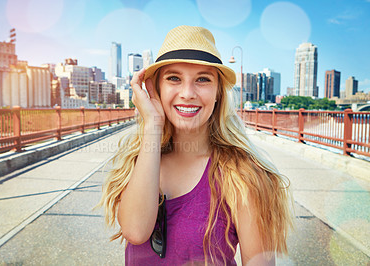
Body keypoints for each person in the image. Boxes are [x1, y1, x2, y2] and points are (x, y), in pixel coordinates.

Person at [98, 25, 293, 265]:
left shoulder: (242, 176)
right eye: (174, 78)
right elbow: (136, 231)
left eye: (202, 79)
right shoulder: (142, 162)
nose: (188, 93)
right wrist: (153, 125)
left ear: (218, 93)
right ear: (156, 89)